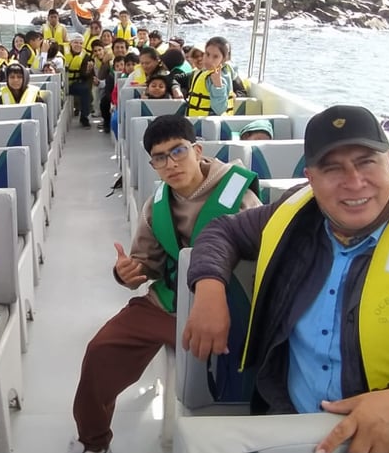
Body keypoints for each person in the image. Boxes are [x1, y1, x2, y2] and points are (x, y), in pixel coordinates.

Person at [183, 105, 389, 453]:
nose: (354, 182)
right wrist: (209, 289)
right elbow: (222, 230)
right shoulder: (298, 211)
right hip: (289, 423)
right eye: (332, 168)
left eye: (366, 161)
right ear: (311, 178)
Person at [69, 115, 261, 453]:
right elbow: (147, 265)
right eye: (160, 158)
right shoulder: (155, 207)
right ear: (153, 165)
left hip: (230, 305)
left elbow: (262, 263)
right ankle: (94, 442)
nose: (170, 164)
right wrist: (128, 273)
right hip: (168, 302)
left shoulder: (240, 197)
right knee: (100, 352)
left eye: (178, 151)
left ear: (197, 150)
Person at [185, 36, 234, 116]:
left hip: (208, 125)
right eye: (207, 54)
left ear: (224, 59)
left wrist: (218, 86)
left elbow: (220, 109)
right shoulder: (204, 71)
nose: (209, 60)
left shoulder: (217, 77)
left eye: (215, 56)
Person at [65, 34, 95, 128]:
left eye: (81, 43)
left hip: (73, 85)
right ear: (70, 43)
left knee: (85, 90)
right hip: (60, 84)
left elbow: (84, 76)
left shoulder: (86, 57)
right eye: (75, 42)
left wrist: (88, 71)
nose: (78, 45)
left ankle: (84, 117)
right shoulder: (61, 50)